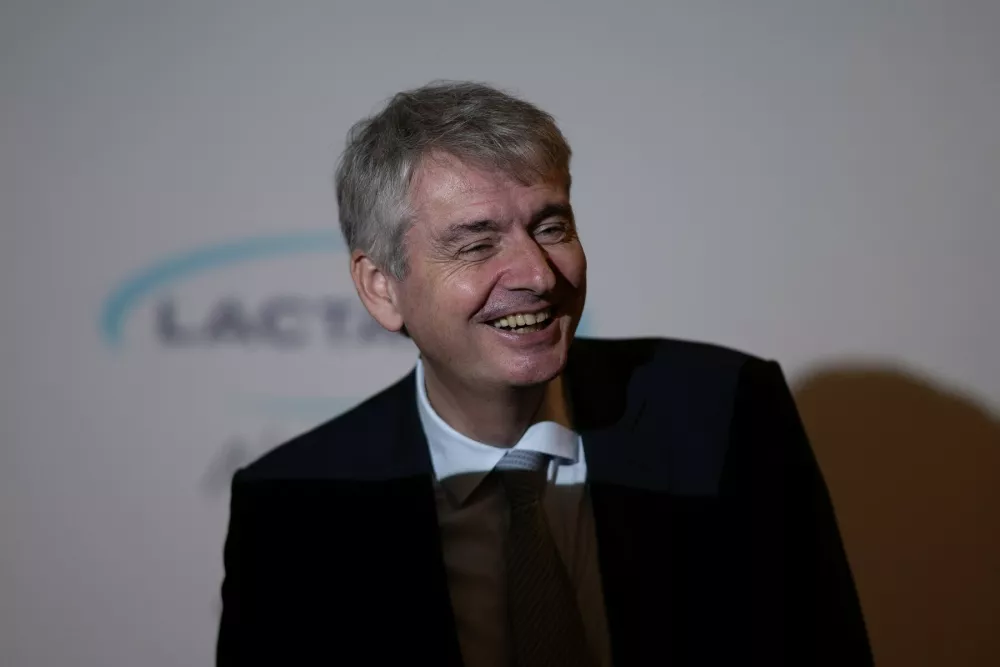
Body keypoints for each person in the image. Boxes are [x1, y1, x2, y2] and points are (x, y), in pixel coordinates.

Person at [216, 81, 872, 667]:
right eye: (477, 243)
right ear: (382, 287)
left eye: (551, 226)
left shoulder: (727, 411)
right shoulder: (293, 506)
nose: (537, 274)